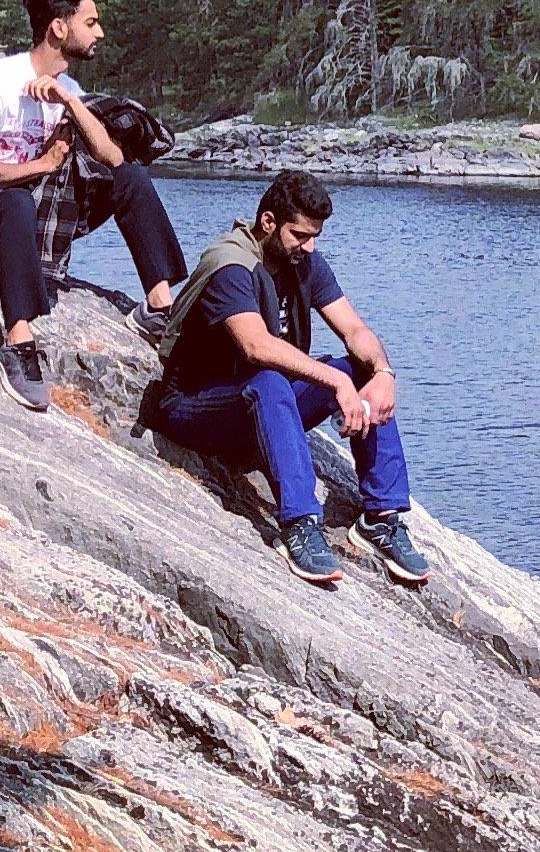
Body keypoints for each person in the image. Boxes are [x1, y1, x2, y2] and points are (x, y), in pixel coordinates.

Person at [141, 169, 432, 590]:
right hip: (193, 405)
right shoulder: (231, 264)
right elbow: (255, 347)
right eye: (300, 235)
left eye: (315, 236)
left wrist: (384, 374)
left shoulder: (304, 261)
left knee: (361, 368)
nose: (309, 246)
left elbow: (354, 330)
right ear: (268, 223)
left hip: (258, 405)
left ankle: (381, 519)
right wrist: (333, 381)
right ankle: (299, 522)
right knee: (273, 379)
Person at [0, 0, 189, 412]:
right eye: (91, 22)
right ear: (58, 28)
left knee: (131, 178)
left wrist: (71, 104)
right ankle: (19, 344)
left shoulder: (70, 91)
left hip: (29, 219)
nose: (100, 32)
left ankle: (158, 306)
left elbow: (114, 158)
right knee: (15, 200)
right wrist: (44, 164)